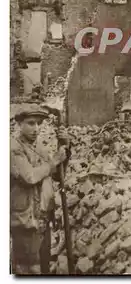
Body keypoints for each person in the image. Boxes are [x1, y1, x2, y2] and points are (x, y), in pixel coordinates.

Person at [10, 108, 71, 275]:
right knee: (28, 269)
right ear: (19, 124)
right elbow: (29, 176)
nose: (36, 128)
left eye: (39, 123)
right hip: (25, 220)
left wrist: (65, 146)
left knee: (42, 265)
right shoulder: (12, 148)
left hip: (43, 216)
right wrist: (53, 162)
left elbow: (58, 175)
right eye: (30, 123)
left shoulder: (39, 147)